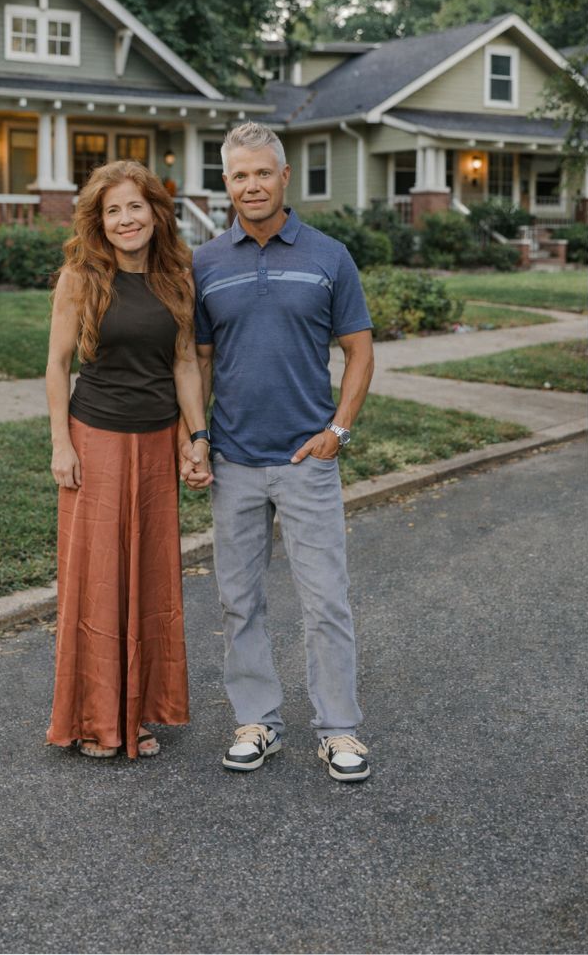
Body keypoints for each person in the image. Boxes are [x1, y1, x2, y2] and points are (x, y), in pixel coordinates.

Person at [181, 121, 375, 780]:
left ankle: (340, 730)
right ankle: (257, 721)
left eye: (263, 172)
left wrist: (338, 431)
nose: (252, 185)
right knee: (240, 600)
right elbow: (199, 361)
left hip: (306, 463)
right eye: (239, 175)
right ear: (226, 183)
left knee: (325, 600)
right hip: (234, 462)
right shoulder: (205, 263)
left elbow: (359, 349)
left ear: (284, 177)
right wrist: (198, 437)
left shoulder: (329, 256)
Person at [45, 160, 212, 760]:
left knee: (150, 577)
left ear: (155, 211)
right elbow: (57, 366)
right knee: (98, 582)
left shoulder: (177, 277)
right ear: (99, 221)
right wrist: (61, 444)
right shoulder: (80, 278)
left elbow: (185, 364)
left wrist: (197, 438)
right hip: (96, 438)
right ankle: (94, 719)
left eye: (134, 206)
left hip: (156, 442)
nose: (125, 220)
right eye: (112, 210)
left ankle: (136, 714)